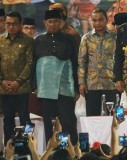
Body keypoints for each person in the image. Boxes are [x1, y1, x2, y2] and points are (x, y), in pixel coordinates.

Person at [34, 10, 78, 145]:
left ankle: (71, 152)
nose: (53, 24)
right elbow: (34, 64)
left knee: (68, 122)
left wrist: (76, 87)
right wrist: (35, 86)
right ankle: (51, 152)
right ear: (45, 23)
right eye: (50, 21)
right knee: (50, 124)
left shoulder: (69, 39)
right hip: (46, 90)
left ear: (61, 22)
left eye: (56, 21)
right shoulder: (39, 40)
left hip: (65, 87)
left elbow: (75, 63)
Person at [0, 11, 33, 144]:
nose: (11, 26)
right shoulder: (0, 40)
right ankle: (9, 148)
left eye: (14, 24)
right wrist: (2, 82)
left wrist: (17, 82)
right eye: (8, 23)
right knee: (7, 119)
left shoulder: (28, 41)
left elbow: (30, 64)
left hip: (22, 89)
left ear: (20, 25)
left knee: (25, 119)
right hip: (4, 89)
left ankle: (29, 146)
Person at [78, 9, 117, 116]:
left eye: (100, 20)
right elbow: (82, 61)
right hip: (92, 85)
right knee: (92, 118)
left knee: (111, 118)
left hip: (110, 84)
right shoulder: (86, 38)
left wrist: (119, 80)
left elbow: (118, 60)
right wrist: (81, 82)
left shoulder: (114, 37)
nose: (97, 23)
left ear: (106, 20)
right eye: (94, 20)